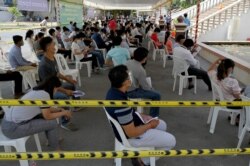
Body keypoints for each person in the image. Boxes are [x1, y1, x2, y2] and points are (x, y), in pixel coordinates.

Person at [105, 65, 176, 166]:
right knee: (171, 141)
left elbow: (130, 112)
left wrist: (142, 116)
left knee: (162, 124)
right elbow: (131, 133)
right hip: (130, 137)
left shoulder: (114, 91)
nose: (131, 77)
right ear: (125, 82)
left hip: (128, 126)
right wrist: (150, 125)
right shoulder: (120, 104)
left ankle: (147, 148)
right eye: (129, 75)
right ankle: (143, 161)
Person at [1, 76, 72, 150]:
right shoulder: (44, 95)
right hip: (13, 128)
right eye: (57, 89)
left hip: (6, 123)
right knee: (52, 123)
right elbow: (47, 116)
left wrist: (59, 109)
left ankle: (51, 140)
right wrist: (64, 113)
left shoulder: (36, 90)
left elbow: (45, 108)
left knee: (47, 119)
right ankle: (56, 149)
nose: (56, 91)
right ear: (53, 87)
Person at [38, 36, 78, 131]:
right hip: (48, 91)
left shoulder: (52, 58)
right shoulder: (44, 64)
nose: (55, 45)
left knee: (71, 85)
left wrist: (69, 80)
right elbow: (49, 85)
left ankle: (76, 105)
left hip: (56, 86)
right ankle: (65, 122)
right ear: (48, 47)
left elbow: (57, 73)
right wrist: (65, 91)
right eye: (53, 44)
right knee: (63, 97)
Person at [126, 47, 161, 117]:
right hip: (131, 92)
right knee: (157, 95)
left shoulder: (127, 62)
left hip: (123, 88)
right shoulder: (140, 70)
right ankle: (153, 116)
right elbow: (145, 87)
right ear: (144, 58)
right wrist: (152, 89)